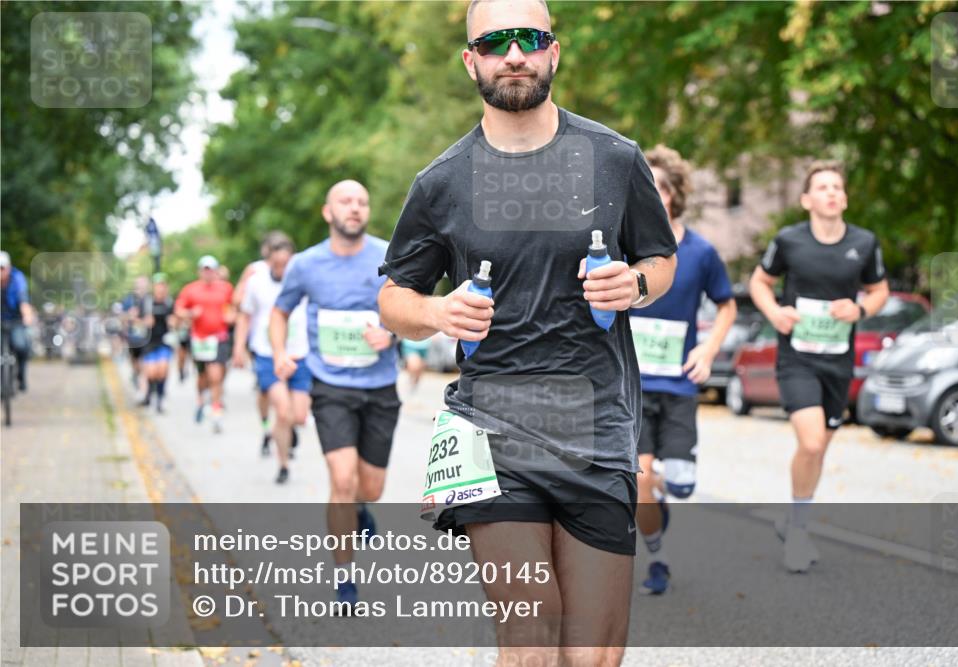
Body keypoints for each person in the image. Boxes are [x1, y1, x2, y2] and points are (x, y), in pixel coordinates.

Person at [377, 1, 677, 662]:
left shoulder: (615, 158)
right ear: (471, 62)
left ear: (553, 52)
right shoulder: (441, 182)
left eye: (529, 39)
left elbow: (661, 259)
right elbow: (393, 298)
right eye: (494, 43)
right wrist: (437, 312)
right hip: (492, 431)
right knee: (529, 633)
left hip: (597, 428)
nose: (513, 55)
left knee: (592, 654)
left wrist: (634, 284)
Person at [748, 160, 888, 573]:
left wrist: (860, 309)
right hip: (797, 358)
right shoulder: (789, 241)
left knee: (819, 448)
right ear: (807, 199)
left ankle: (795, 518)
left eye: (837, 187)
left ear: (844, 199)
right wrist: (775, 313)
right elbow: (759, 282)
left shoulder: (864, 243)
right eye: (823, 187)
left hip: (837, 362)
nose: (831, 193)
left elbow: (879, 290)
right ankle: (797, 532)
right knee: (810, 443)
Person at [272, 180, 400, 608]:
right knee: (342, 480)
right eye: (345, 201)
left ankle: (362, 509)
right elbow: (280, 311)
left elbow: (412, 307)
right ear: (328, 212)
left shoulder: (389, 256)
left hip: (380, 386)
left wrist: (391, 333)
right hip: (330, 386)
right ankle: (345, 579)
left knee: (371, 488)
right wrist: (279, 353)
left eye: (362, 201)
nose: (355, 208)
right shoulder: (306, 264)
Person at [628, 145, 736, 594]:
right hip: (633, 386)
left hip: (678, 386)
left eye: (658, 186)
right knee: (638, 480)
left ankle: (663, 493)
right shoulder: (624, 249)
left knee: (681, 485)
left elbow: (727, 305)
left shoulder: (700, 252)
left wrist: (708, 350)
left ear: (673, 195)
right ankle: (658, 559)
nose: (649, 193)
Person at [234, 237, 311, 484]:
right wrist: (238, 347)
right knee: (283, 411)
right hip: (267, 354)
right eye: (276, 264)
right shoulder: (256, 281)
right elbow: (245, 316)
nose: (281, 269)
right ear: (269, 261)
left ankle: (286, 431)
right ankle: (283, 464)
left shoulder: (304, 278)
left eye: (285, 264)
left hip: (300, 353)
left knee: (299, 416)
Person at [234, 231, 294, 456]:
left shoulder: (296, 272)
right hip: (262, 346)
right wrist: (239, 346)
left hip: (292, 346)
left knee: (287, 403)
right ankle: (266, 426)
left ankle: (284, 428)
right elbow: (239, 304)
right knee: (266, 394)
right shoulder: (255, 272)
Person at [174, 255, 235, 433]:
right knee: (202, 376)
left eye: (211, 270)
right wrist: (190, 314)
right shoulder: (190, 290)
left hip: (219, 338)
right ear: (200, 271)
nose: (208, 273)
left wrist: (231, 316)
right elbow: (178, 310)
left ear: (216, 271)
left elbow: (233, 308)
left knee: (216, 375)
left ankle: (216, 411)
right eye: (205, 270)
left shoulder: (226, 288)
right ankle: (201, 400)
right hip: (199, 339)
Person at [137, 273, 175, 413]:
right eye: (158, 285)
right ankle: (149, 394)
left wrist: (173, 322)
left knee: (163, 370)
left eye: (163, 285)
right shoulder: (146, 303)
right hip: (149, 341)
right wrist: (144, 322)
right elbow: (137, 319)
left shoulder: (169, 302)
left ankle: (160, 399)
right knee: (152, 373)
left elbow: (175, 319)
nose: (160, 288)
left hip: (164, 341)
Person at [0, 251, 35, 391]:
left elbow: (23, 299)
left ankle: (21, 375)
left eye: (2, 268)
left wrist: (27, 315)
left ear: (8, 267)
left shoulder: (17, 279)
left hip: (16, 319)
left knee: (21, 345)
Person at [121, 276, 151, 391]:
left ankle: (146, 385)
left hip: (148, 336)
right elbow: (122, 317)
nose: (142, 287)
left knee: (145, 362)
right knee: (135, 360)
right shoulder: (129, 300)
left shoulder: (150, 299)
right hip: (133, 336)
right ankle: (135, 373)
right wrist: (129, 315)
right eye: (139, 284)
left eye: (144, 284)